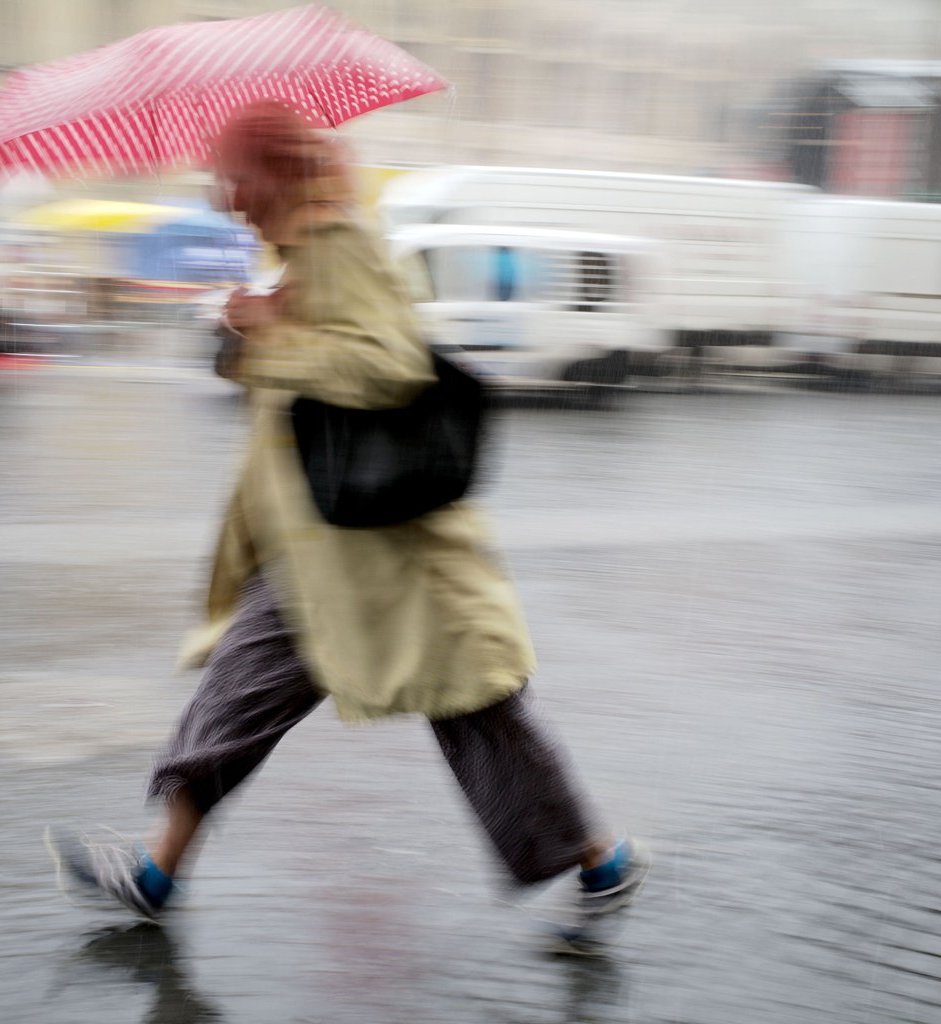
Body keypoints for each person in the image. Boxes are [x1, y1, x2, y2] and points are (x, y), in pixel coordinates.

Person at [47, 101, 648, 941]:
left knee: (479, 715)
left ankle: (600, 861)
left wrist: (274, 331)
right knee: (234, 700)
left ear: (276, 172)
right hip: (311, 553)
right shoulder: (301, 257)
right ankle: (158, 874)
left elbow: (386, 369)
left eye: (236, 177)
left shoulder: (339, 246)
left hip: (383, 551)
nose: (226, 197)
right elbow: (292, 386)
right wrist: (246, 331)